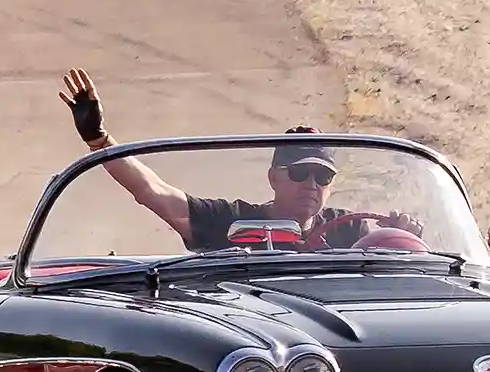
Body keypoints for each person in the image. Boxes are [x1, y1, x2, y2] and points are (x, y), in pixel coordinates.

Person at [58, 72, 394, 252]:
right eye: (300, 172)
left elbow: (392, 272)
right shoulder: (231, 221)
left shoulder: (351, 229)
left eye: (322, 177)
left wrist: (404, 238)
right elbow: (153, 191)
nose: (310, 184)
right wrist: (99, 140)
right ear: (274, 178)